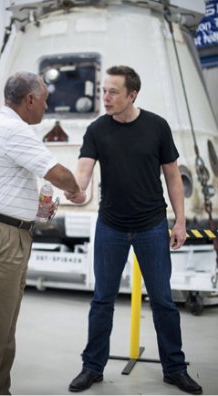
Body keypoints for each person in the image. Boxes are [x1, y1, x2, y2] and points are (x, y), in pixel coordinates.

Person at [67, 65, 202, 395]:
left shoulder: (157, 127)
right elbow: (83, 172)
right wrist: (76, 190)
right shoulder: (97, 130)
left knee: (164, 301)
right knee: (102, 301)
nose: (106, 97)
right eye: (103, 91)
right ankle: (92, 367)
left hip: (151, 225)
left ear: (132, 94)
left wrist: (180, 222)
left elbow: (172, 177)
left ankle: (175, 368)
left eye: (113, 92)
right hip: (111, 226)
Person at [0, 71, 83, 395]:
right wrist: (77, 190)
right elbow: (57, 173)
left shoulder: (8, 128)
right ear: (29, 99)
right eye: (44, 100)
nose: (46, 107)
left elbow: (16, 183)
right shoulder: (13, 129)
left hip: (7, 235)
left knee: (2, 329)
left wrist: (35, 207)